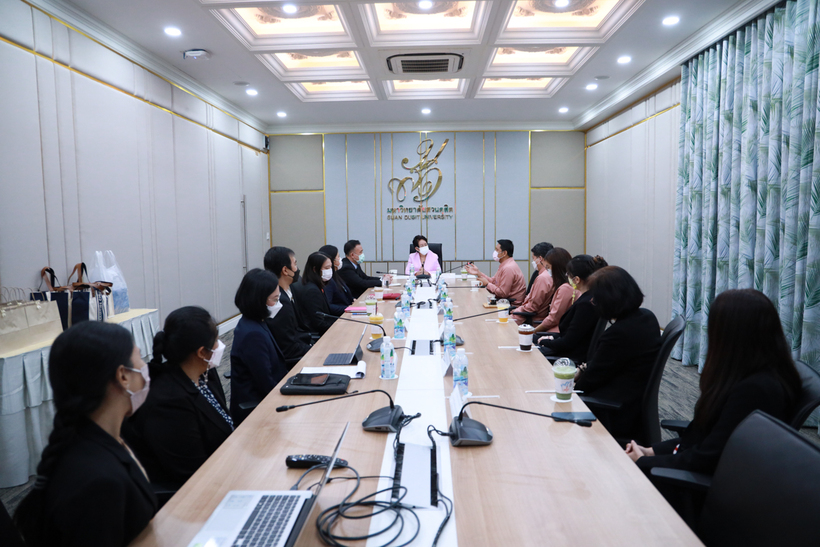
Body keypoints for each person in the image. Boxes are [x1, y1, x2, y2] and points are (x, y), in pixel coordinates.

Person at [626, 289, 801, 475]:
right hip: (687, 465)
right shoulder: (752, 373)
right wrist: (650, 451)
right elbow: (702, 437)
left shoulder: (754, 391)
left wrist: (643, 462)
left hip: (692, 483)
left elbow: (706, 460)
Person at [13, 321, 157, 547]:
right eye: (139, 357)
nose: (145, 368)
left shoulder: (99, 438)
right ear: (123, 376)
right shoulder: (98, 483)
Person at [122, 306, 233, 491]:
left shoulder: (205, 374)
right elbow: (193, 474)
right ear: (201, 353)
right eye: (216, 340)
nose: (220, 344)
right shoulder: (169, 402)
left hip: (226, 466)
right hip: (204, 490)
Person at [573, 266, 662, 440]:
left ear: (608, 299)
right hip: (632, 405)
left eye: (596, 297)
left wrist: (570, 386)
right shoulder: (647, 317)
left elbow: (589, 382)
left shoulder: (618, 334)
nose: (593, 301)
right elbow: (606, 364)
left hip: (614, 412)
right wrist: (583, 369)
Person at [230, 268, 288, 425]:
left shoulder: (255, 321)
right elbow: (266, 384)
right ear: (259, 300)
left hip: (268, 397)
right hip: (257, 413)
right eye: (275, 299)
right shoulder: (253, 334)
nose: (278, 304)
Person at [538, 254, 607, 363]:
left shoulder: (586, 305)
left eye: (568, 274)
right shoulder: (591, 298)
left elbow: (568, 342)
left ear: (577, 279)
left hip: (570, 356)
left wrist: (545, 342)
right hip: (571, 350)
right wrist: (552, 338)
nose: (567, 277)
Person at [264, 246, 313, 361]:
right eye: (295, 264)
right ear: (285, 270)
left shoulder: (289, 291)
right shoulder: (279, 302)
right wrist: (315, 349)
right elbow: (288, 347)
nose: (297, 268)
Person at [466, 239, 526, 304]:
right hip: (503, 302)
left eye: (497, 250)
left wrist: (487, 284)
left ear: (504, 253)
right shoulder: (505, 265)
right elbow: (494, 281)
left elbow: (503, 293)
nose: (495, 252)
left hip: (510, 305)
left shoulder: (508, 268)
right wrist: (479, 273)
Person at [532, 247, 577, 334]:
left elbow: (553, 319)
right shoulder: (565, 285)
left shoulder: (565, 288)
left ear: (557, 267)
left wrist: (533, 331)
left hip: (556, 332)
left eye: (548, 267)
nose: (547, 271)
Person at [294, 252, 337, 334]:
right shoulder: (312, 291)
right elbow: (319, 323)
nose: (330, 270)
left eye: (330, 267)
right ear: (315, 269)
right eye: (326, 268)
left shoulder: (317, 285)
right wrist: (338, 327)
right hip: (320, 334)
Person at [512, 242, 555, 325]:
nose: (533, 261)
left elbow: (532, 306)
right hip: (528, 315)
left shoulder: (543, 278)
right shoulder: (546, 274)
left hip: (531, 320)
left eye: (533, 258)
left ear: (540, 259)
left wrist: (517, 310)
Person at [319, 244, 354, 315]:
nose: (340, 259)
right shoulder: (327, 280)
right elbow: (329, 306)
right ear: (332, 260)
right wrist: (347, 308)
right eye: (338, 256)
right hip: (340, 316)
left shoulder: (336, 275)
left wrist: (353, 300)